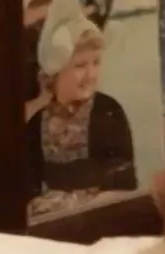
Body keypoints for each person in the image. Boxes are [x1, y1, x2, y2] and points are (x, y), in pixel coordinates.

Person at [26, 0, 137, 206]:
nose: (91, 74)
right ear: (55, 71)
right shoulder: (35, 124)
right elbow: (26, 189)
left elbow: (125, 187)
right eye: (80, 65)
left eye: (96, 63)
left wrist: (72, 205)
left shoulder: (108, 112)